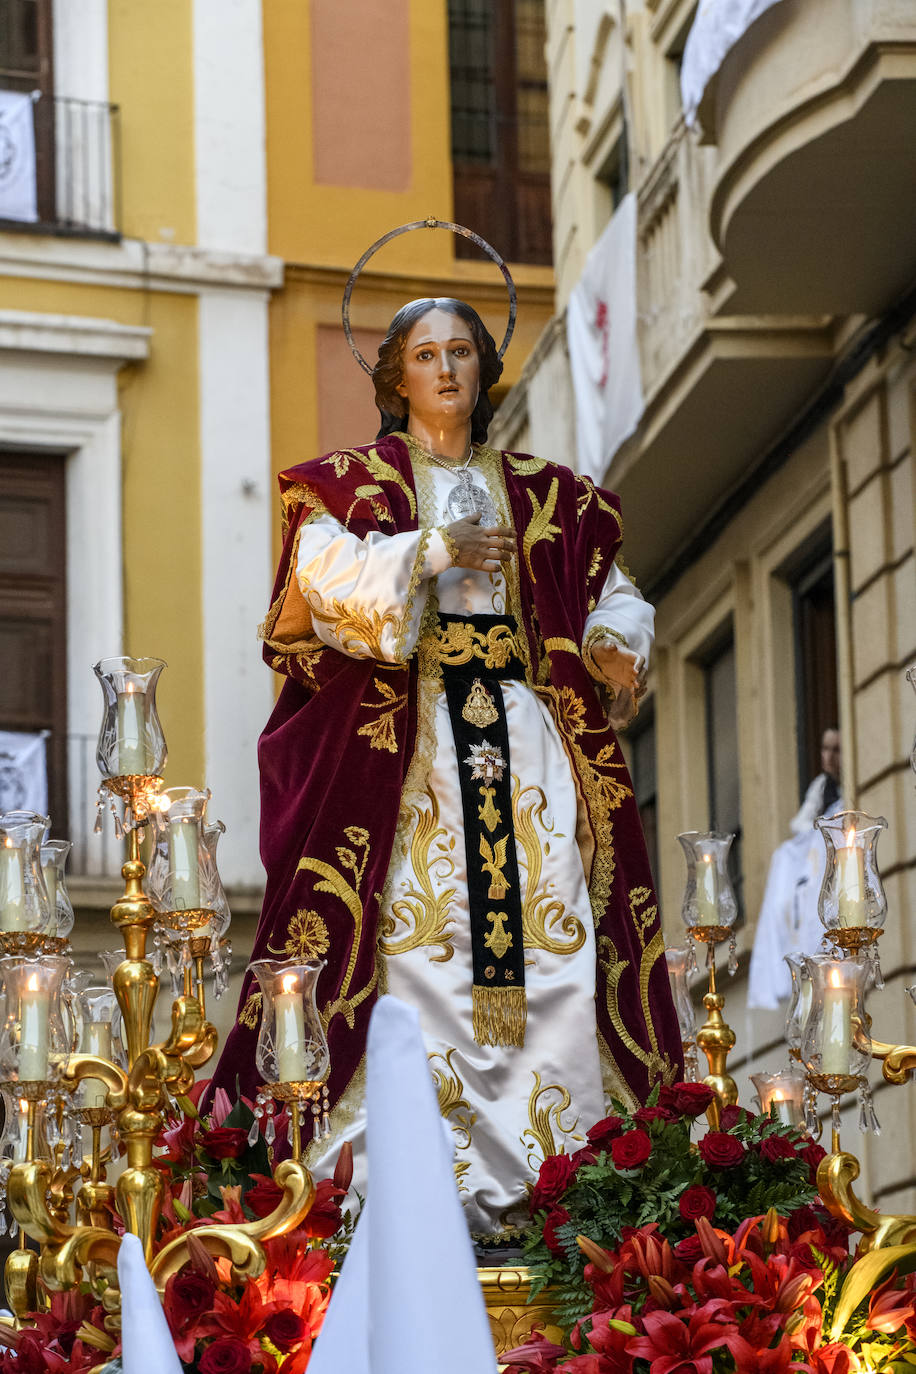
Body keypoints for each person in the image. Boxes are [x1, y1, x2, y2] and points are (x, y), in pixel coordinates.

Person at [211, 297, 683, 1235]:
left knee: (558, 950)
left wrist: (612, 640)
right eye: (425, 354)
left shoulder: (554, 494)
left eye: (462, 351)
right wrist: (428, 550)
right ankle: (396, 1200)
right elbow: (320, 584)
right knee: (409, 953)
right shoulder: (347, 485)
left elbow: (615, 592)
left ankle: (564, 1190)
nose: (446, 370)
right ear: (394, 378)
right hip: (411, 756)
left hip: (527, 749)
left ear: (483, 369)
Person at [748, 727, 843, 1009]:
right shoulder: (819, 791)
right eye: (825, 749)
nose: (829, 757)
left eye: (836, 749)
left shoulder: (849, 795)